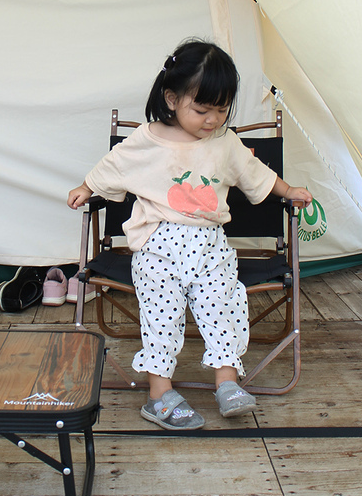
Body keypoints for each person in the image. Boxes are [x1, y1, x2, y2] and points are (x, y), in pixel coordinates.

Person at [68, 39, 312, 431]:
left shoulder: (225, 143)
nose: (212, 119)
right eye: (201, 109)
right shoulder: (147, 139)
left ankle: (227, 383)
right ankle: (159, 393)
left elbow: (256, 176)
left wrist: (289, 191)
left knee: (224, 306)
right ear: (171, 98)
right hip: (158, 247)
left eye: (221, 109)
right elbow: (114, 165)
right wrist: (86, 186)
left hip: (210, 247)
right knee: (161, 316)